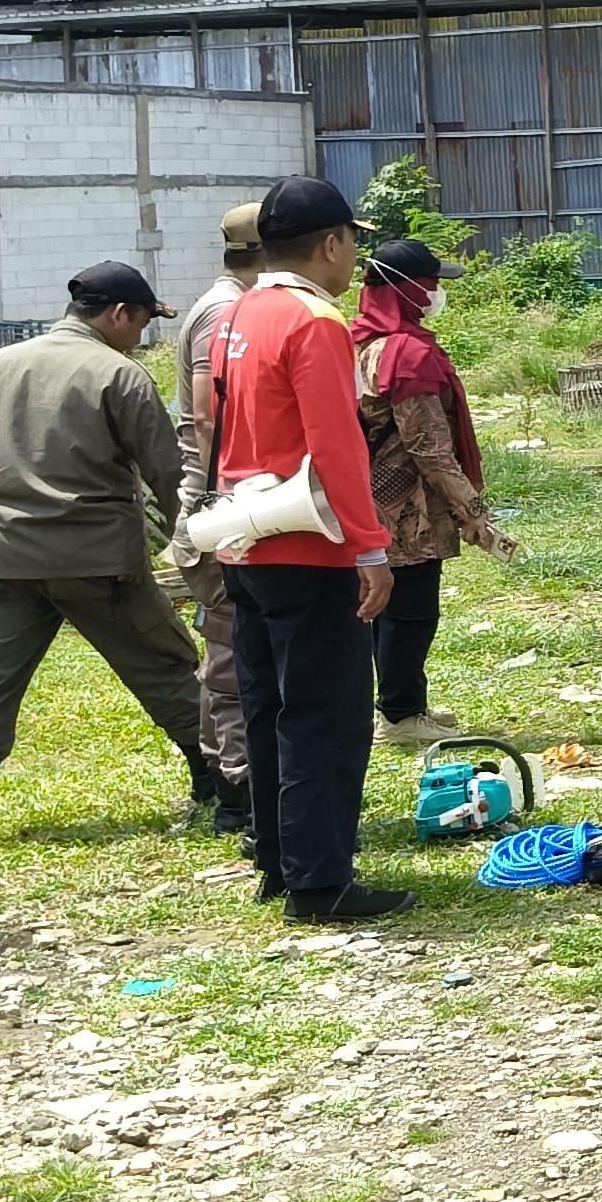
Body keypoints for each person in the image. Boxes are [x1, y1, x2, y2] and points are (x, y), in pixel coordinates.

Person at [0, 261, 211, 854]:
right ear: (119, 314)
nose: (143, 336)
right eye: (143, 322)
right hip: (99, 558)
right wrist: (199, 537)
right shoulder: (118, 375)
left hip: (7, 558)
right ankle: (218, 778)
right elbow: (166, 469)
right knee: (163, 665)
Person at [210, 176, 410, 927]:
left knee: (266, 706)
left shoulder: (241, 312)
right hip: (310, 539)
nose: (354, 255)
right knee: (324, 715)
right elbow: (335, 443)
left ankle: (277, 859)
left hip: (247, 535)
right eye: (352, 241)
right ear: (332, 244)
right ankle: (321, 880)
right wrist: (370, 547)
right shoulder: (315, 321)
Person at [352, 242, 511, 747]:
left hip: (364, 496)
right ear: (408, 288)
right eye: (434, 282)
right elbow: (431, 450)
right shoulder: (408, 355)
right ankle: (399, 716)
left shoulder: (359, 341)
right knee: (412, 610)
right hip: (408, 509)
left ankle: (406, 703)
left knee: (387, 607)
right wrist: (476, 512)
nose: (438, 292)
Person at [170, 201, 264, 829]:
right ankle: (238, 787)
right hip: (219, 507)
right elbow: (210, 417)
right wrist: (217, 505)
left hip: (214, 503)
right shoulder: (225, 311)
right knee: (234, 654)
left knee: (224, 647)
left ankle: (221, 773)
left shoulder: (222, 302)